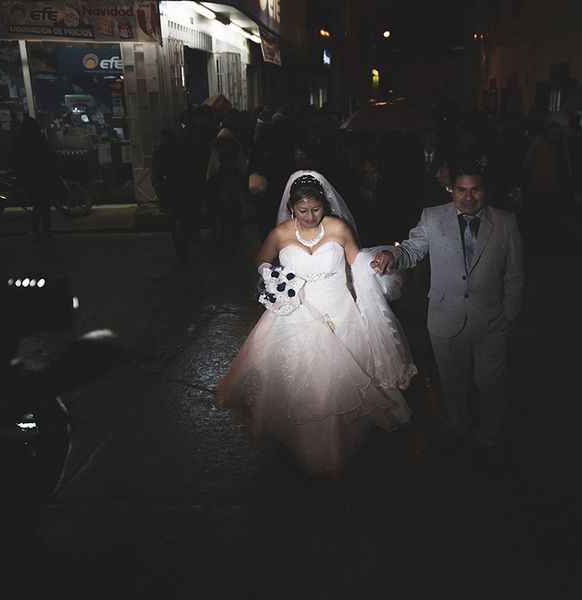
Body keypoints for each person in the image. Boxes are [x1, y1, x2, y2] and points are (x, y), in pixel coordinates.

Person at [213, 170, 414, 478]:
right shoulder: (280, 234)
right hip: (296, 313)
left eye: (316, 209)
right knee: (303, 383)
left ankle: (341, 443)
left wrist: (371, 268)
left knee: (341, 381)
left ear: (325, 205)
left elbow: (355, 260)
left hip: (340, 311)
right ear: (292, 208)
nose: (310, 216)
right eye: (303, 211)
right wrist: (269, 273)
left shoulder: (337, 227)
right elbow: (261, 259)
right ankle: (309, 445)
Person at [372, 163, 524, 448]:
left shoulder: (506, 222)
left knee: (491, 385)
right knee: (453, 384)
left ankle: (491, 435)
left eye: (475, 190)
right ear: (451, 190)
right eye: (461, 190)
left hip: (492, 320)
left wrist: (509, 315)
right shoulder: (433, 217)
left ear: (485, 190)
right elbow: (411, 249)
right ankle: (459, 424)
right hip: (445, 318)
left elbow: (515, 274)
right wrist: (391, 254)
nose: (468, 197)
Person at [11, 116, 59, 241]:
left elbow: (16, 161)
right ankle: (47, 231)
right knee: (45, 206)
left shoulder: (18, 140)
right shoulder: (39, 138)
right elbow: (48, 154)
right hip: (42, 176)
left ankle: (35, 231)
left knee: (37, 206)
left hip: (29, 179)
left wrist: (20, 178)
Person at [152, 128, 188, 262]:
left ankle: (182, 250)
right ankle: (180, 250)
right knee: (176, 222)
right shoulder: (167, 153)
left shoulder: (176, 153)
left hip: (178, 191)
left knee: (179, 222)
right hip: (170, 191)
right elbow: (156, 175)